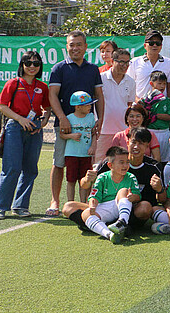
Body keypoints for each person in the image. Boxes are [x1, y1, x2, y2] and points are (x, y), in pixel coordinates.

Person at [47, 30, 105, 216]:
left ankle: (83, 204)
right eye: (71, 45)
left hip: (88, 127)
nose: (75, 48)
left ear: (86, 47)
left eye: (79, 44)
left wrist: (100, 119)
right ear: (67, 47)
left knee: (84, 166)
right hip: (64, 126)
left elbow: (99, 96)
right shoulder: (59, 68)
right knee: (59, 163)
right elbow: (52, 95)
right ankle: (55, 202)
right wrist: (63, 117)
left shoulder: (93, 69)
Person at [0, 51, 51, 219]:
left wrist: (43, 122)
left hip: (34, 130)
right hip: (15, 128)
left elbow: (47, 108)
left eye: (36, 63)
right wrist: (20, 119)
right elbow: (2, 106)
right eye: (28, 63)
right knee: (12, 168)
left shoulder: (42, 87)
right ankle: (0, 207)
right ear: (22, 65)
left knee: (30, 169)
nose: (32, 66)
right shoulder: (13, 83)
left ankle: (20, 206)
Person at [77, 128, 164, 229]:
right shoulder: (110, 162)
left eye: (141, 143)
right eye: (133, 142)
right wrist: (87, 179)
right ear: (127, 142)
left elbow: (162, 199)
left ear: (147, 145)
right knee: (69, 207)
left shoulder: (154, 167)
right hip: (106, 206)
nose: (136, 146)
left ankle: (123, 224)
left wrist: (159, 189)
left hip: (135, 209)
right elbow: (85, 185)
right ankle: (107, 226)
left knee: (145, 208)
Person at [66, 146, 140, 244]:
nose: (125, 165)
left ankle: (122, 223)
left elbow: (138, 196)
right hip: (105, 207)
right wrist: (92, 206)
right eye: (121, 162)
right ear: (110, 165)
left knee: (123, 191)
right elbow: (94, 196)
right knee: (83, 212)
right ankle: (109, 234)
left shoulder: (131, 177)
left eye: (127, 162)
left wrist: (132, 197)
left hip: (121, 206)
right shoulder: (102, 177)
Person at [97, 49, 137, 162]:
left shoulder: (131, 82)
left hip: (123, 131)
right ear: (112, 61)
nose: (125, 65)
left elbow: (129, 105)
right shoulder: (101, 78)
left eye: (127, 62)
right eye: (121, 62)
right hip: (103, 130)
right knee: (99, 163)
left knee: (122, 162)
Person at [62, 91, 99, 203]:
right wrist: (71, 136)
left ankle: (83, 203)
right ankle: (71, 203)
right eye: (87, 105)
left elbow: (93, 133)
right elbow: (62, 134)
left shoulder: (91, 117)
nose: (90, 107)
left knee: (84, 180)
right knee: (71, 180)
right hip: (72, 154)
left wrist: (93, 146)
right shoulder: (69, 118)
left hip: (86, 154)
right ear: (78, 107)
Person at [129, 30, 170, 100]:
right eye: (151, 43)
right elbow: (129, 86)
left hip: (160, 106)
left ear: (161, 46)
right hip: (139, 106)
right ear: (145, 45)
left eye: (158, 43)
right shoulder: (135, 62)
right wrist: (137, 101)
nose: (155, 45)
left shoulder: (168, 63)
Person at [141, 71, 170, 162]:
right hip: (151, 131)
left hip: (164, 132)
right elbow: (143, 114)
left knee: (164, 159)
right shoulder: (146, 99)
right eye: (159, 83)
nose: (162, 86)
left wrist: (156, 115)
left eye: (164, 84)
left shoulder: (167, 100)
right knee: (150, 158)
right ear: (151, 83)